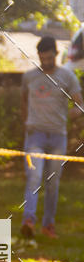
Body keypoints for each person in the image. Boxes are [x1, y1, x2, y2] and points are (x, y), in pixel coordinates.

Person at [21, 35, 84, 239]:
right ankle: (28, 221)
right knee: (34, 177)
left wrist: (68, 115)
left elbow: (80, 105)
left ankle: (48, 225)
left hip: (58, 137)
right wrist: (26, 122)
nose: (46, 62)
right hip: (35, 137)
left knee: (52, 183)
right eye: (42, 58)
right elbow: (23, 100)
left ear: (56, 54)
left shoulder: (68, 77)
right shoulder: (29, 77)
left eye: (49, 58)